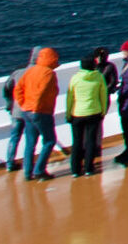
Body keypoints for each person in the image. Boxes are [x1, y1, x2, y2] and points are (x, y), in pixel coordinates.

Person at [9, 47, 60, 180]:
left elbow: (18, 89)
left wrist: (23, 104)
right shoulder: (48, 73)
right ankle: (39, 170)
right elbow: (41, 92)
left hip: (26, 111)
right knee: (49, 141)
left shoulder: (31, 70)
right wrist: (36, 108)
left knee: (30, 143)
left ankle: (27, 172)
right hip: (41, 112)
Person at [64, 49, 109, 176]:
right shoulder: (99, 77)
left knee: (77, 142)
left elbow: (70, 98)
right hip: (94, 113)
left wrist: (68, 114)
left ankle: (75, 170)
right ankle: (89, 168)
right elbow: (103, 95)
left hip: (77, 114)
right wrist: (103, 111)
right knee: (90, 141)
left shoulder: (75, 78)